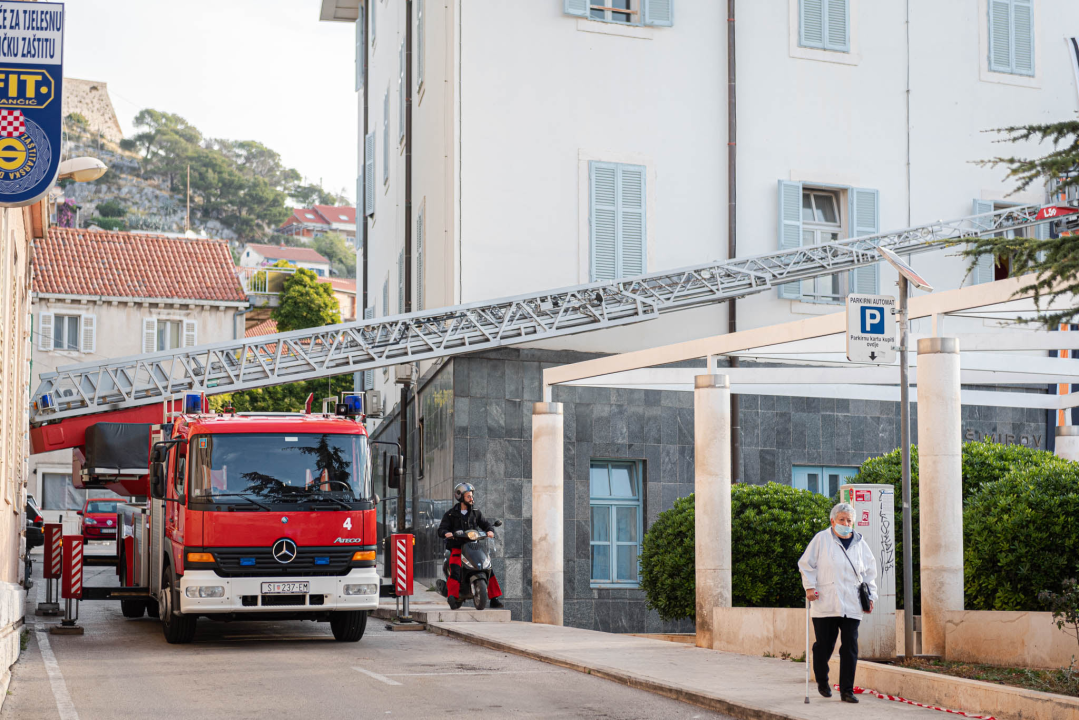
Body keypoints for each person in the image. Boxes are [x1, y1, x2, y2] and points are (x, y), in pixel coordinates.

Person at [797, 502, 878, 704]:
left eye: (849, 520)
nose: (845, 523)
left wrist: (871, 597)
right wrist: (809, 587)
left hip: (852, 603)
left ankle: (847, 691)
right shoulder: (821, 539)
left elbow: (869, 572)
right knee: (824, 646)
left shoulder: (860, 543)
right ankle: (823, 680)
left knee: (850, 646)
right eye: (841, 519)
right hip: (826, 602)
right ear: (832, 521)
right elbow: (806, 564)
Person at [437, 483, 504, 610]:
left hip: (474, 547)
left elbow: (486, 524)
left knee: (487, 566)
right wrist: (446, 533)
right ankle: (452, 596)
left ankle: (494, 598)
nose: (471, 499)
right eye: (468, 496)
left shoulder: (476, 513)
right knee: (455, 568)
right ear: (461, 497)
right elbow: (441, 529)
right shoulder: (450, 515)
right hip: (457, 547)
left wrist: (490, 531)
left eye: (471, 496)